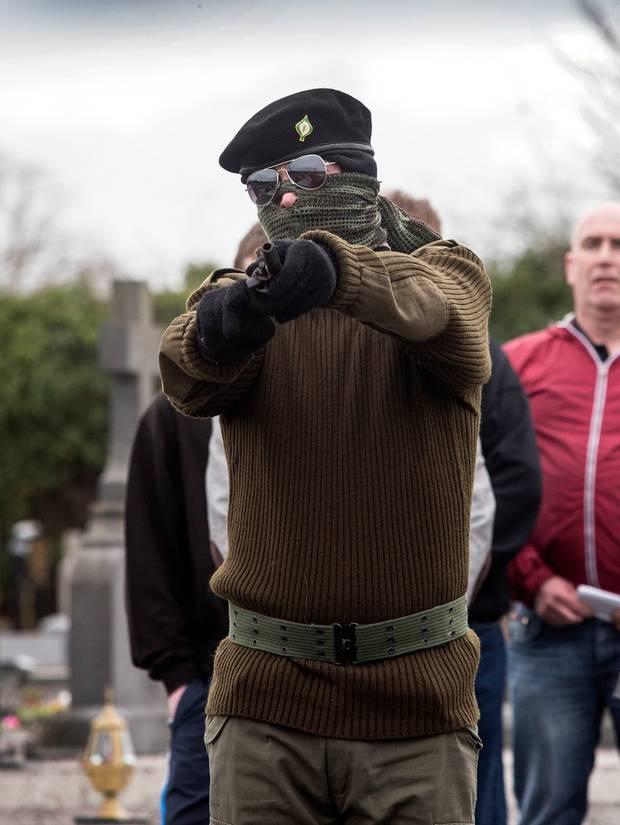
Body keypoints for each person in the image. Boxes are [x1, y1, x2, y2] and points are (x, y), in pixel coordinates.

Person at [159, 87, 492, 824]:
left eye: (307, 173)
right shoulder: (249, 300)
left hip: (417, 709)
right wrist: (224, 324)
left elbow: (440, 309)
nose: (284, 196)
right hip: (265, 707)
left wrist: (340, 274)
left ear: (359, 175)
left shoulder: (446, 273)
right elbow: (185, 371)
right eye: (263, 186)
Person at [386, 189, 542, 825]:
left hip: (466, 622)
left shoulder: (485, 361)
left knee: (472, 791)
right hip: (412, 622)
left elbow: (515, 484)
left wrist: (455, 584)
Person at [505, 202, 620, 825]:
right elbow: (485, 484)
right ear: (572, 265)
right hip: (549, 631)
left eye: (619, 244)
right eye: (594, 244)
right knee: (548, 811)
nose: (607, 257)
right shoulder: (519, 363)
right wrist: (532, 577)